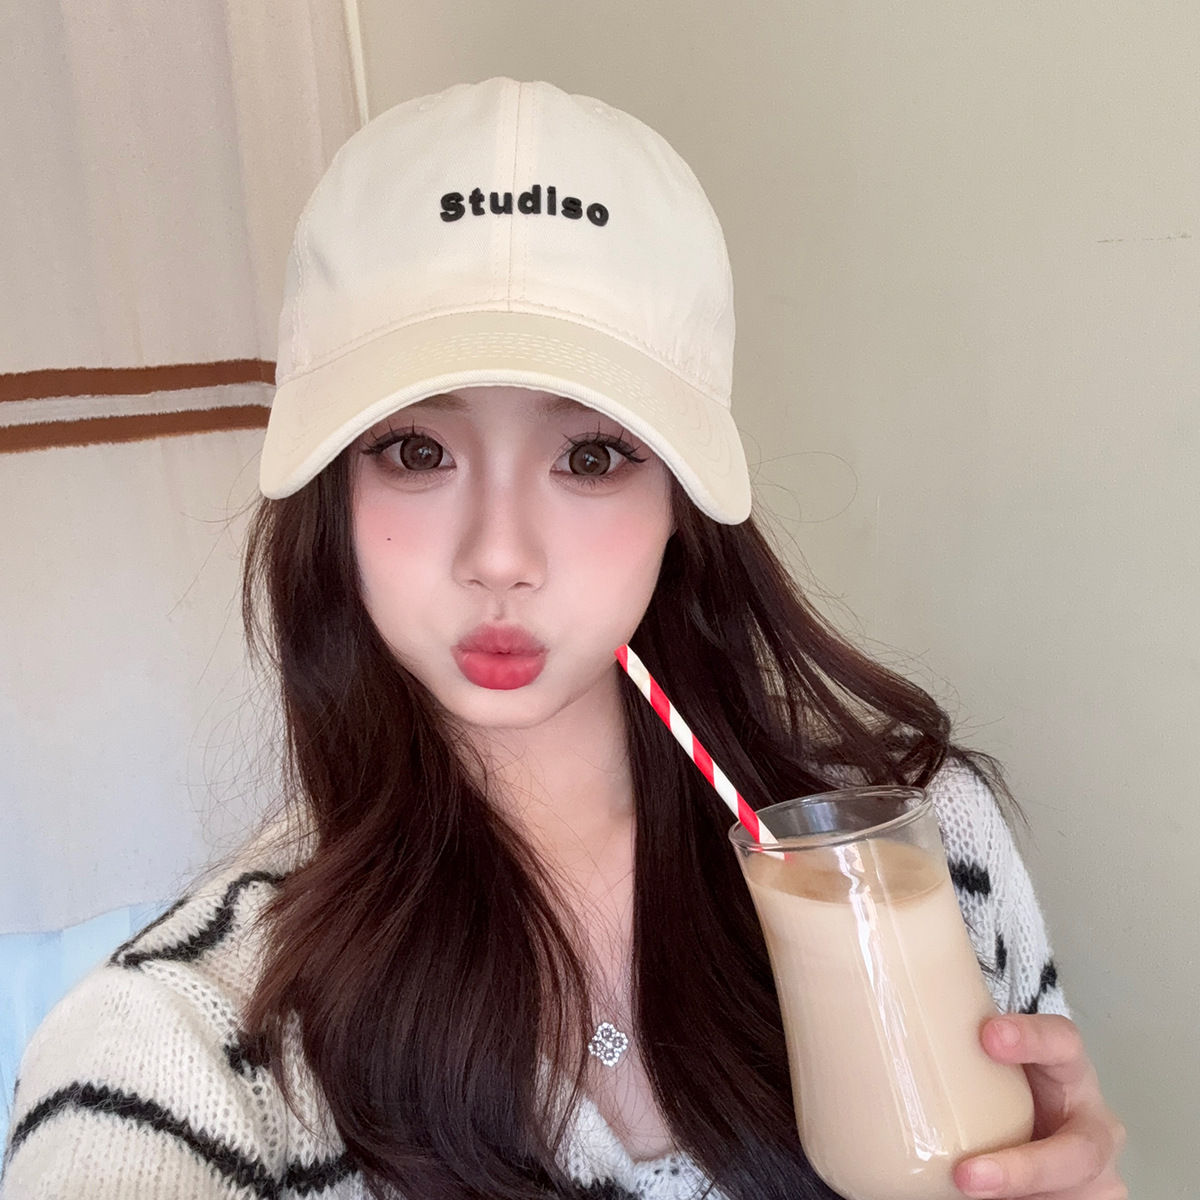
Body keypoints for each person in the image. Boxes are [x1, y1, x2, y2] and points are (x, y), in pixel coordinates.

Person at [1, 78, 1124, 1200]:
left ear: (681, 500)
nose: (500, 556)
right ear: (332, 495)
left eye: (591, 456)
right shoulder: (176, 1049)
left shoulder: (924, 853)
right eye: (415, 451)